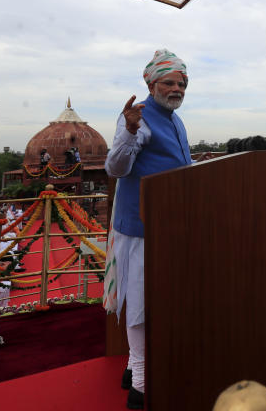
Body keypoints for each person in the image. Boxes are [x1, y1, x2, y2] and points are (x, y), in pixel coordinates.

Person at [104, 49, 192, 410]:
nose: (177, 88)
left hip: (167, 227)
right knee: (140, 303)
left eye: (182, 83)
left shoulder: (175, 119)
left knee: (155, 300)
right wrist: (127, 131)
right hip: (140, 228)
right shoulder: (138, 117)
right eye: (169, 82)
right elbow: (116, 168)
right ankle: (140, 381)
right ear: (151, 83)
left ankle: (130, 366)